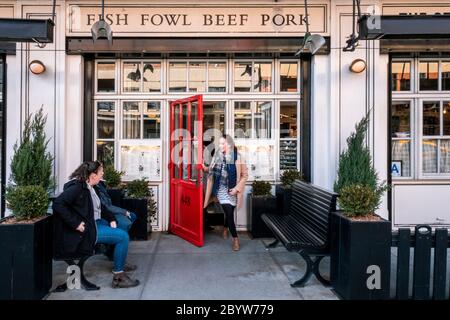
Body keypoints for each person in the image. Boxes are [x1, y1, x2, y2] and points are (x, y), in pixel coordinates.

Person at [53, 161, 140, 289]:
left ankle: (118, 261)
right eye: (100, 172)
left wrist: (111, 219)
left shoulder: (93, 187)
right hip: (88, 229)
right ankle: (119, 277)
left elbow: (101, 208)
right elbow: (58, 204)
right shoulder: (77, 188)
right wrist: (75, 223)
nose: (103, 174)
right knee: (123, 237)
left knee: (121, 227)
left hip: (97, 223)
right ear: (93, 174)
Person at [203, 134, 248, 251]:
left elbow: (244, 176)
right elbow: (212, 168)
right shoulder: (217, 156)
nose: (221, 146)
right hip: (220, 189)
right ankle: (236, 239)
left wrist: (236, 189)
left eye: (223, 144)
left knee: (229, 213)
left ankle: (225, 227)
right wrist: (205, 168)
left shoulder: (238, 157)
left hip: (232, 190)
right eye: (220, 143)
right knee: (228, 211)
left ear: (230, 145)